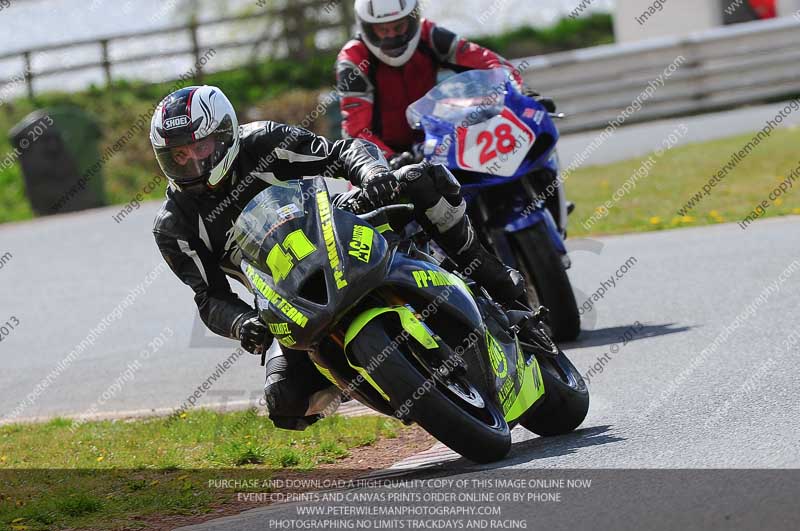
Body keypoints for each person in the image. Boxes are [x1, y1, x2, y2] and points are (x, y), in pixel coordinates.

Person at [150, 85, 525, 430]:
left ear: (226, 134)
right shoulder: (173, 226)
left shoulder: (263, 141)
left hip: (335, 228)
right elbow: (209, 297)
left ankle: (492, 276)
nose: (191, 164)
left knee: (420, 180)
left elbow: (340, 153)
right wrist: (242, 323)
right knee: (285, 404)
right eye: (178, 155)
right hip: (284, 299)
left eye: (200, 148)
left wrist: (373, 172)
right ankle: (368, 381)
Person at [336, 0, 525, 167]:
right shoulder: (354, 59)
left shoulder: (429, 35)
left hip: (437, 145)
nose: (393, 36)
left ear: (412, 21)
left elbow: (488, 62)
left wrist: (521, 93)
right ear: (368, 28)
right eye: (383, 30)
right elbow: (356, 130)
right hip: (385, 160)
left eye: (399, 27)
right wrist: (390, 159)